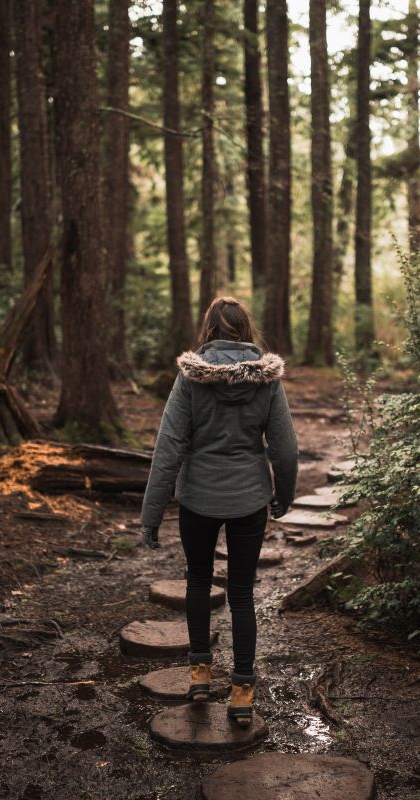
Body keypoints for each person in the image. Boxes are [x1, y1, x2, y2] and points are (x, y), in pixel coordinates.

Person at [139, 296, 298, 727]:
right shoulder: (267, 379)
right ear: (246, 331)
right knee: (243, 592)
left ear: (208, 331)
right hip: (249, 498)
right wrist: (284, 495)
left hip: (199, 499)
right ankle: (242, 691)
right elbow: (284, 446)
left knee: (197, 583)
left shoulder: (190, 378)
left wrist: (151, 515)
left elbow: (169, 447)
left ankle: (199, 677)